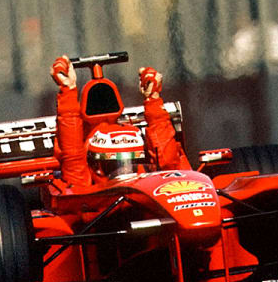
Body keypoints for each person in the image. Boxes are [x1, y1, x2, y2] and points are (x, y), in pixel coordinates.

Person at [50, 55, 189, 189]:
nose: (125, 174)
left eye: (133, 162)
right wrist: (68, 89)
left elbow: (168, 168)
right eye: (113, 167)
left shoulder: (148, 178)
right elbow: (73, 159)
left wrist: (153, 98)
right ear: (96, 165)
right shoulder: (81, 180)